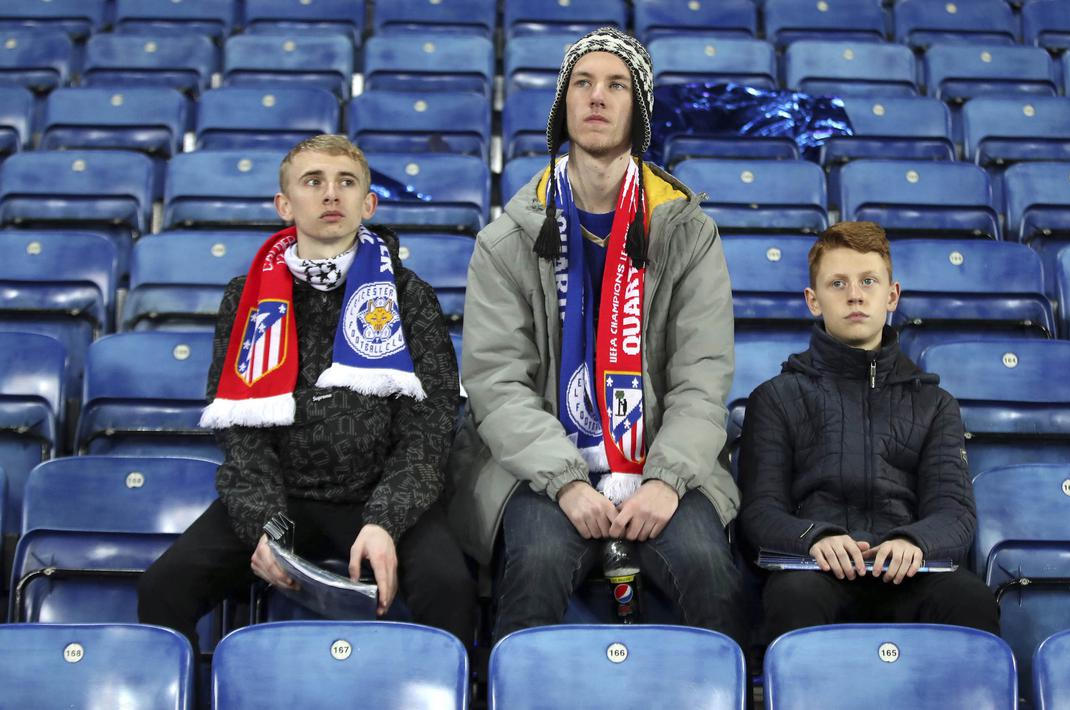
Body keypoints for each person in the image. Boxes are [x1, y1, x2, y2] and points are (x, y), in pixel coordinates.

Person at [448, 27, 745, 644]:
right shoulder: (507, 240)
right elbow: (496, 384)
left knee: (712, 572)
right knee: (534, 565)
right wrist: (565, 482)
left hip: (663, 462)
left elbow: (702, 378)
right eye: (583, 83)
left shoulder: (687, 234)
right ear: (564, 105)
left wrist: (666, 479)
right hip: (540, 470)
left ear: (637, 110)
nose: (597, 97)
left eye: (616, 85)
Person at [138, 135, 476, 651]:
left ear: (369, 203)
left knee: (450, 587)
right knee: (162, 588)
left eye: (346, 183)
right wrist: (265, 525)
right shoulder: (246, 297)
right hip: (284, 495)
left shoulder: (410, 296)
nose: (330, 195)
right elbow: (239, 428)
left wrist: (385, 521)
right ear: (284, 204)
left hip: (378, 492)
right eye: (313, 182)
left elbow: (428, 432)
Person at [738, 221, 999, 640]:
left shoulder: (935, 404)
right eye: (837, 283)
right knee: (791, 600)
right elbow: (759, 512)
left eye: (868, 281)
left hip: (907, 570)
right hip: (816, 570)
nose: (854, 294)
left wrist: (914, 541)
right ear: (813, 301)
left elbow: (955, 512)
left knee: (970, 601)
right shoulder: (775, 397)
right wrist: (814, 537)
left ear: (891, 296)